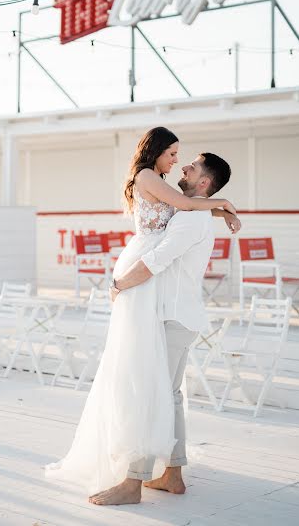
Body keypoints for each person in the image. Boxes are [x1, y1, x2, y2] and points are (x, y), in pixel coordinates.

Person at [45, 127, 240, 504]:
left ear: (204, 181)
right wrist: (223, 209)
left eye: (191, 165)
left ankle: (133, 483)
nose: (182, 166)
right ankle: (172, 475)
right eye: (175, 156)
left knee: (149, 394)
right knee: (169, 395)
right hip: (181, 317)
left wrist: (119, 286)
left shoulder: (188, 217)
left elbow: (154, 262)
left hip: (171, 318)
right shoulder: (190, 212)